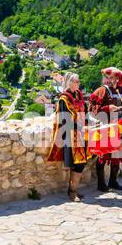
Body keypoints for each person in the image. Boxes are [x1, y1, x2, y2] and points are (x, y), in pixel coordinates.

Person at [86, 67, 122, 193]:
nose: (107, 79)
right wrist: (107, 108)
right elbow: (92, 109)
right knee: (103, 155)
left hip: (120, 127)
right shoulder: (102, 91)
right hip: (106, 128)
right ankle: (101, 183)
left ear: (117, 78)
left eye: (111, 77)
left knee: (117, 155)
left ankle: (113, 181)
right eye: (107, 77)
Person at [47, 72, 90, 202]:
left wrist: (89, 123)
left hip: (82, 134)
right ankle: (72, 192)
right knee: (77, 164)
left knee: (81, 164)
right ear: (70, 83)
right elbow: (66, 121)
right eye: (77, 81)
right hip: (71, 136)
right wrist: (80, 128)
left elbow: (84, 113)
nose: (79, 83)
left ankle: (73, 189)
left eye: (78, 81)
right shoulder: (64, 100)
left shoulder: (79, 96)